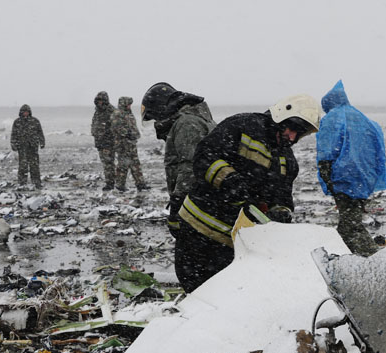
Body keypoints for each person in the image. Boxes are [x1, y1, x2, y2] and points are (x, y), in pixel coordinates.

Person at [173, 93, 322, 292]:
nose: (293, 137)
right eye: (292, 128)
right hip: (197, 228)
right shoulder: (242, 126)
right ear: (281, 116)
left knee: (218, 295)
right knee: (194, 289)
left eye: (299, 133)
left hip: (231, 242)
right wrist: (227, 179)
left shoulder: (287, 161)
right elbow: (204, 156)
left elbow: (282, 196)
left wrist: (281, 212)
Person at [316, 80, 386, 256]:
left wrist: (327, 176)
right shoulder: (363, 119)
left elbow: (327, 150)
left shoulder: (333, 118)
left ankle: (373, 260)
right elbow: (377, 149)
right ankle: (356, 258)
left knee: (350, 227)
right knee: (350, 222)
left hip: (343, 177)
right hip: (364, 178)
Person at [140, 82, 216, 237]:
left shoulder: (187, 123)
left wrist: (179, 201)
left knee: (194, 249)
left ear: (161, 108)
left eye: (155, 116)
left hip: (198, 203)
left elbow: (190, 165)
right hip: (204, 199)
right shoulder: (191, 120)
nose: (156, 122)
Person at [110, 96, 148, 192]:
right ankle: (120, 185)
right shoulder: (117, 114)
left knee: (135, 164)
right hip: (123, 144)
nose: (130, 106)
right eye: (128, 104)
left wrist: (135, 135)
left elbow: (132, 126)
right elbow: (116, 127)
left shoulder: (128, 114)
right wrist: (127, 134)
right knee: (123, 165)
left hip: (131, 144)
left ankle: (140, 184)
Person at [10, 104, 45, 189]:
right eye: (24, 112)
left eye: (27, 112)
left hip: (33, 147)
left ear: (29, 112)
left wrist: (42, 142)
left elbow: (40, 132)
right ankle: (22, 183)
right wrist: (13, 144)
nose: (25, 113)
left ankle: (37, 183)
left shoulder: (35, 121)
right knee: (23, 166)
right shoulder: (17, 122)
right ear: (21, 113)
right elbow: (13, 134)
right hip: (22, 148)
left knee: (34, 166)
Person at [91, 91, 117, 191]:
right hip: (100, 142)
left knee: (109, 164)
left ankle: (110, 183)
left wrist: (108, 136)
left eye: (101, 100)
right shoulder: (97, 111)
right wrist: (95, 135)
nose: (100, 103)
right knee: (106, 164)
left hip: (108, 142)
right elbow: (94, 125)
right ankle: (110, 182)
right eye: (98, 101)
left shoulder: (111, 111)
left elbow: (115, 126)